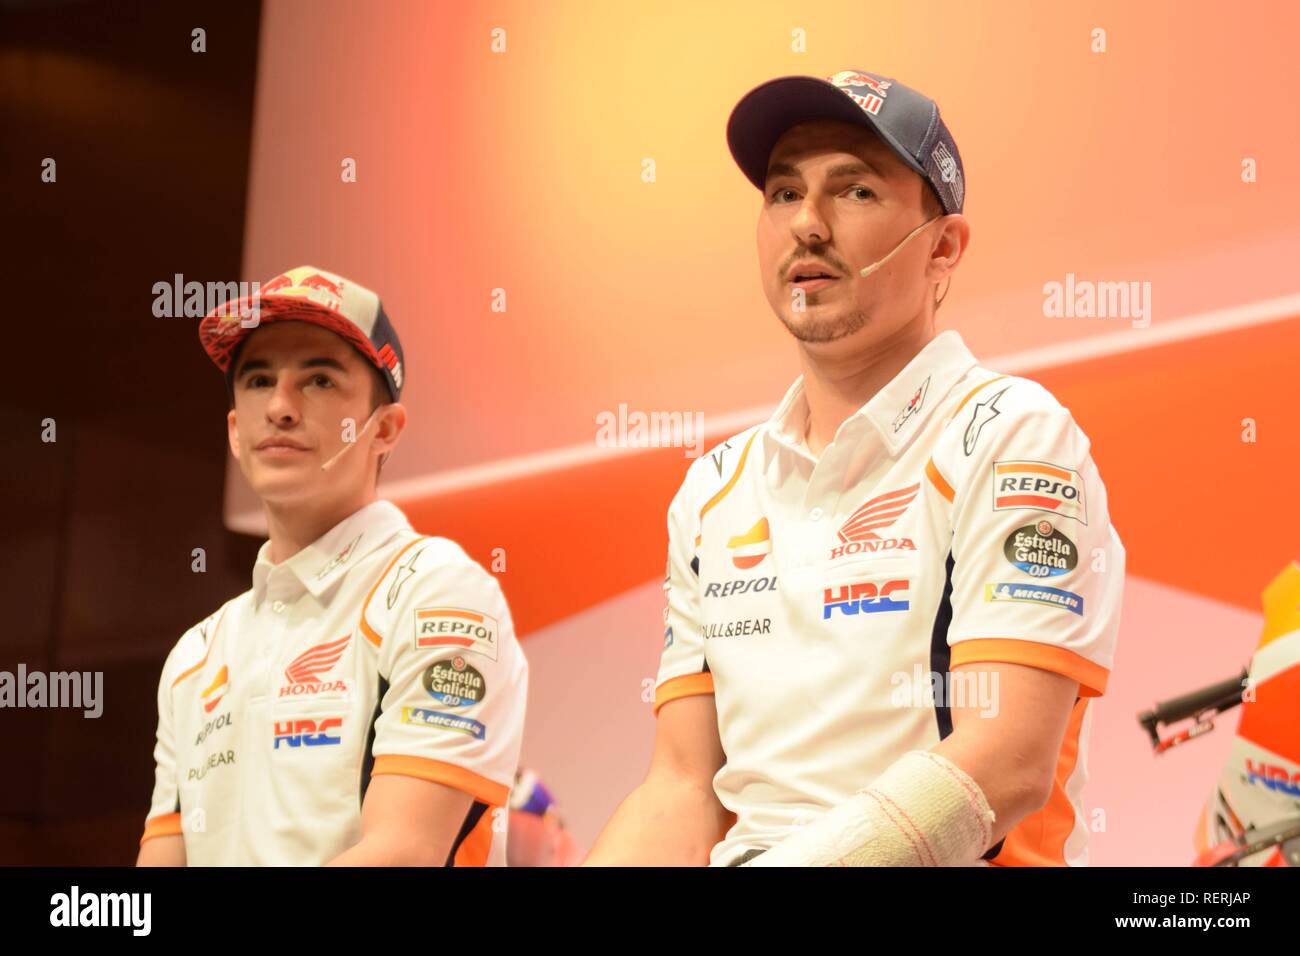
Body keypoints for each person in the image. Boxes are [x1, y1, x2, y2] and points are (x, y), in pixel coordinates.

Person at [586, 70, 1124, 866]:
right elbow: (682, 787)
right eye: (781, 193)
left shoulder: (1012, 432)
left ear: (944, 248)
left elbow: (1006, 762)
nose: (806, 224)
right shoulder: (714, 490)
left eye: (855, 191)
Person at [136, 265, 528, 866]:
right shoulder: (195, 655)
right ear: (236, 432)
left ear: (386, 429)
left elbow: (404, 854)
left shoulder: (436, 589)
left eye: (319, 380)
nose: (282, 408)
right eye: (260, 380)